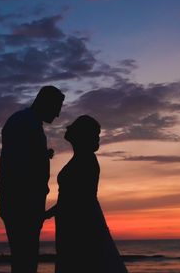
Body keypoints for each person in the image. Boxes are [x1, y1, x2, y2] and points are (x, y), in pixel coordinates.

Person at [45, 115, 128, 273]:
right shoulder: (81, 159)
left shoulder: (87, 161)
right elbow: (71, 199)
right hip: (73, 220)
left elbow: (78, 200)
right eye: (94, 136)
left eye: (98, 136)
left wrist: (46, 215)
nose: (97, 140)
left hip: (81, 222)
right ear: (84, 136)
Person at [0, 85, 65, 273]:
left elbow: (22, 156)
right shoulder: (24, 123)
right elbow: (19, 164)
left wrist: (43, 155)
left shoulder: (27, 122)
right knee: (25, 258)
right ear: (46, 103)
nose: (58, 115)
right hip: (21, 202)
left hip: (24, 201)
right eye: (57, 108)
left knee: (24, 257)